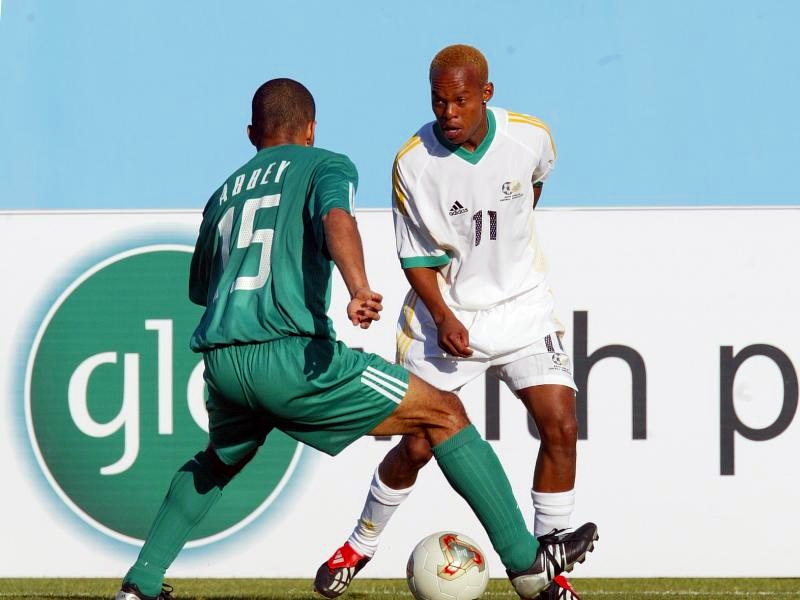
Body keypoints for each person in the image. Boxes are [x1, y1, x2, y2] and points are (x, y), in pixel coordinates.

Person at [114, 78, 597, 600]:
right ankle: (529, 567)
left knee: (218, 460)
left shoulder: (223, 193)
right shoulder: (326, 164)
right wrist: (359, 287)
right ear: (311, 128)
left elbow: (199, 287)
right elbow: (336, 218)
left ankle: (138, 585)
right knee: (442, 414)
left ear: (252, 132)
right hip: (292, 356)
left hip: (223, 362)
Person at [315, 46, 588, 600]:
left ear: (486, 94)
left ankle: (547, 570)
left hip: (521, 305)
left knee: (559, 421)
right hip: (445, 315)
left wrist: (504, 251)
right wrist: (444, 317)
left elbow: (534, 185)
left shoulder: (531, 136)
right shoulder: (412, 162)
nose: (449, 112)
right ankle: (359, 544)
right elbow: (415, 258)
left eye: (460, 100)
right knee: (417, 445)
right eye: (439, 102)